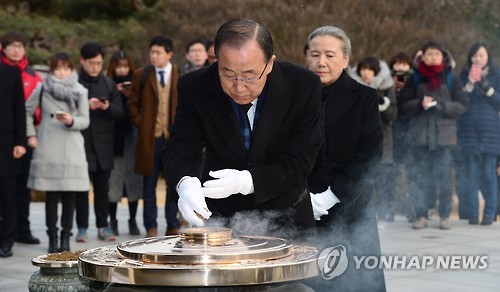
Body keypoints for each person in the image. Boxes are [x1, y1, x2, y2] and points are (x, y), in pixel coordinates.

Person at [162, 19, 321, 241]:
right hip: (221, 217)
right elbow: (181, 146)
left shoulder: (303, 85)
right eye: (227, 74)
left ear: (270, 63)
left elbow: (302, 157)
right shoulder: (194, 86)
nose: (238, 86)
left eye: (248, 75)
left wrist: (248, 181)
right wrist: (184, 182)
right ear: (216, 60)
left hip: (287, 213)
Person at [306, 26, 386, 291]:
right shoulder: (296, 98)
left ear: (346, 59)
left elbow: (370, 154)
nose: (321, 62)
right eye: (315, 54)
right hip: (305, 205)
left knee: (353, 280)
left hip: (350, 204)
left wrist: (333, 194)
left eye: (330, 55)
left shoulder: (364, 97)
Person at [399, 40, 468, 230]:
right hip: (419, 136)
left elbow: (462, 103)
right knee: (419, 178)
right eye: (429, 54)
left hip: (444, 137)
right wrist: (419, 104)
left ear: (443, 57)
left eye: (436, 54)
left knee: (444, 178)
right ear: (423, 56)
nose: (432, 57)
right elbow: (403, 104)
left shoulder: (451, 78)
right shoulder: (414, 78)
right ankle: (420, 215)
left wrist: (444, 107)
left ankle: (444, 215)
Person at [26, 53, 89, 253]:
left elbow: (85, 120)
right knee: (51, 195)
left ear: (72, 70)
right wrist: (31, 135)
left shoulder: (80, 90)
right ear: (52, 70)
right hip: (48, 146)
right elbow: (27, 111)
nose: (62, 72)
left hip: (71, 148)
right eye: (58, 68)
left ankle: (65, 237)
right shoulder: (42, 87)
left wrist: (71, 121)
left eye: (66, 68)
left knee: (69, 195)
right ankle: (52, 236)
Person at [128, 36, 181, 237]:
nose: (154, 56)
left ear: (169, 54)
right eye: (152, 52)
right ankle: (150, 226)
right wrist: (141, 123)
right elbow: (132, 103)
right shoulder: (142, 74)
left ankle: (172, 223)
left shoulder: (180, 74)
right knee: (148, 186)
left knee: (172, 184)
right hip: (150, 138)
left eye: (158, 52)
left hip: (173, 138)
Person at [76, 42, 124, 242]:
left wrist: (106, 106)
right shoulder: (75, 83)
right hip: (80, 144)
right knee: (81, 189)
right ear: (82, 61)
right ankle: (81, 228)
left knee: (102, 190)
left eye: (98, 63)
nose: (95, 67)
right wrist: (84, 105)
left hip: (104, 144)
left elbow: (120, 112)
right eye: (91, 63)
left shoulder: (108, 84)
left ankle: (103, 226)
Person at [1, 31, 42, 245]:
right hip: (8, 136)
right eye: (12, 46)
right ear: (4, 48)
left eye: (20, 46)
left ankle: (22, 229)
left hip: (24, 136)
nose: (16, 50)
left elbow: (36, 106)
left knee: (21, 187)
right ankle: (8, 230)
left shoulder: (32, 74)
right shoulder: (5, 70)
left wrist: (26, 136)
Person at [351, 56, 398, 223]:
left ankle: (386, 212)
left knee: (384, 178)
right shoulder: (353, 87)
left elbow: (393, 113)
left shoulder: (386, 87)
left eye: (370, 69)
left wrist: (382, 105)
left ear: (376, 72)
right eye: (363, 69)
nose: (366, 73)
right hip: (358, 138)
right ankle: (367, 212)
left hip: (383, 138)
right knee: (363, 178)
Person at [457, 42, 500, 226]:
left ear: (488, 57)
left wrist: (485, 86)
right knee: (471, 175)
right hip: (469, 132)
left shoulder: (496, 75)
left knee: (489, 175)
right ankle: (473, 214)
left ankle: (489, 215)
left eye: (481, 55)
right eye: (475, 55)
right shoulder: (462, 75)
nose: (478, 59)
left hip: (491, 133)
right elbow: (459, 102)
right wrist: (469, 84)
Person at [106, 50, 142, 236]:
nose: (122, 69)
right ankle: (112, 220)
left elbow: (141, 107)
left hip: (132, 137)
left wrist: (130, 96)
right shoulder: (106, 83)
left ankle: (132, 220)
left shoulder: (136, 83)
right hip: (113, 138)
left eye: (125, 66)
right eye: (118, 66)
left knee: (133, 181)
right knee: (114, 181)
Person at [0, 58, 26, 258]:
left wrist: (20, 141)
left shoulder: (12, 72)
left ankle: (7, 239)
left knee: (8, 194)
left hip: (7, 143)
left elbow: (19, 110)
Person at [388, 52, 414, 221]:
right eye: (397, 64)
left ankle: (413, 210)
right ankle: (388, 210)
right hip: (391, 133)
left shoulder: (415, 81)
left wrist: (404, 90)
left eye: (404, 64)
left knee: (412, 173)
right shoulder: (385, 82)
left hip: (410, 132)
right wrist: (392, 89)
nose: (400, 67)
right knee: (389, 173)